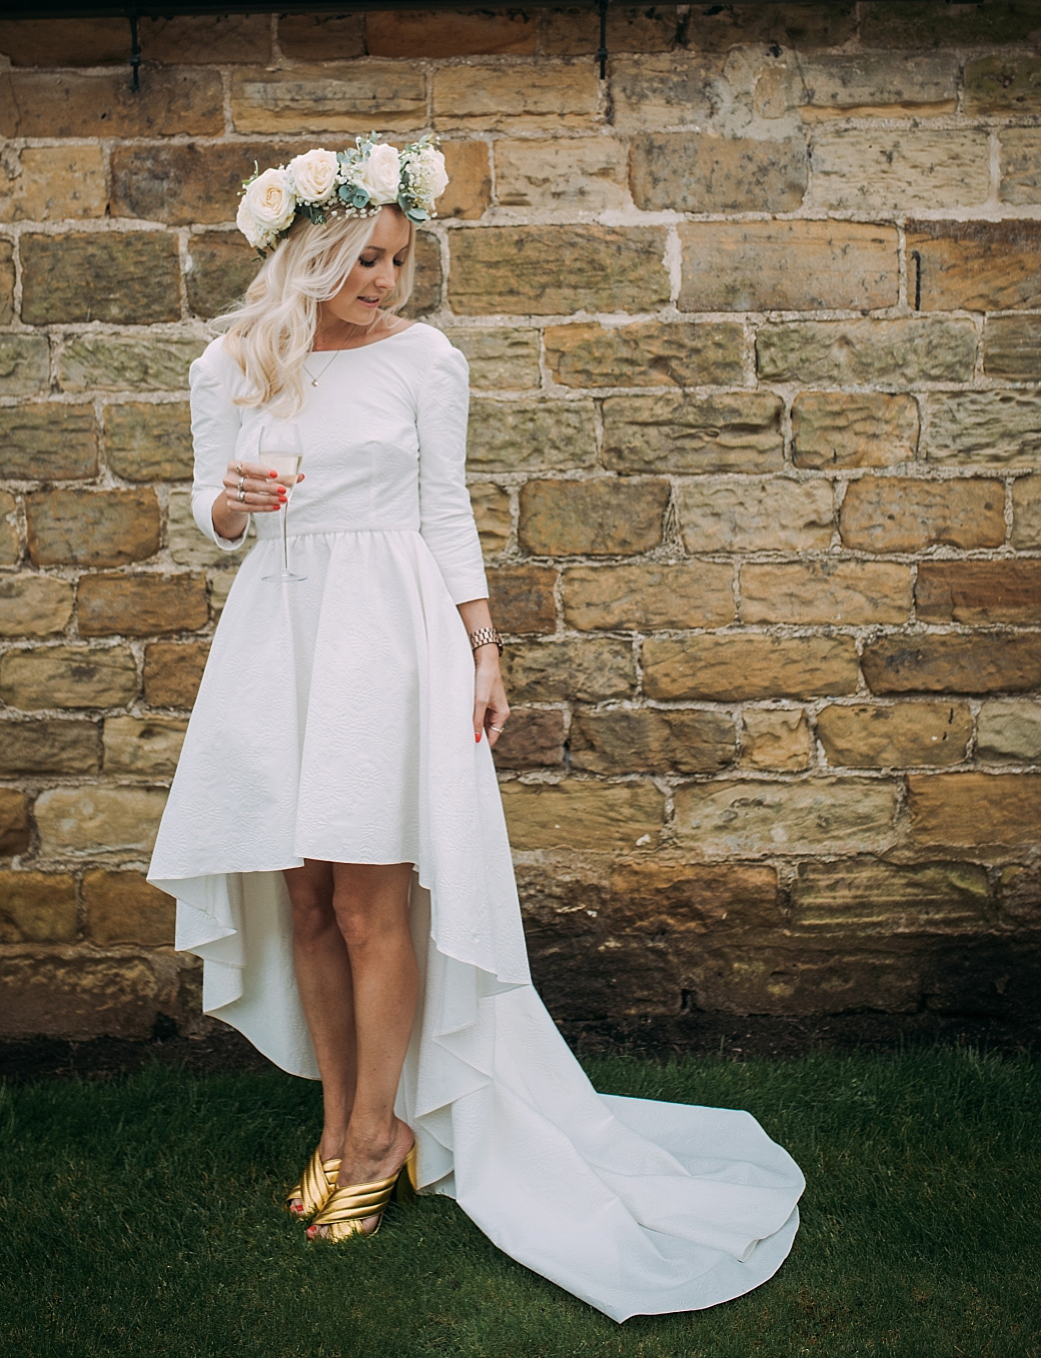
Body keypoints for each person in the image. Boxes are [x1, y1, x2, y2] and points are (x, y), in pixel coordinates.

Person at [147, 135, 804, 1319]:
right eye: (366, 260)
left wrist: (485, 647)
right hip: (280, 637)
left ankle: (380, 1132)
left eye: (400, 260)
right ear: (313, 252)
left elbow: (444, 507)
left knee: (368, 897)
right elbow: (210, 508)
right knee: (302, 896)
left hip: (390, 635)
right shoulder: (230, 363)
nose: (387, 281)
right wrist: (225, 505)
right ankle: (340, 1123)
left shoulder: (425, 361)